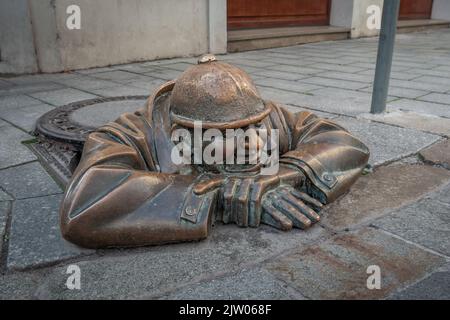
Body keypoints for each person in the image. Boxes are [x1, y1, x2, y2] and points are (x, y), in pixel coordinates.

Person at [60, 55, 369, 248]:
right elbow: (84, 205)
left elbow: (347, 143)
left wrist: (284, 175)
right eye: (228, 135)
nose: (256, 144)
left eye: (255, 128)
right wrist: (220, 195)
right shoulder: (128, 133)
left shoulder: (266, 114)